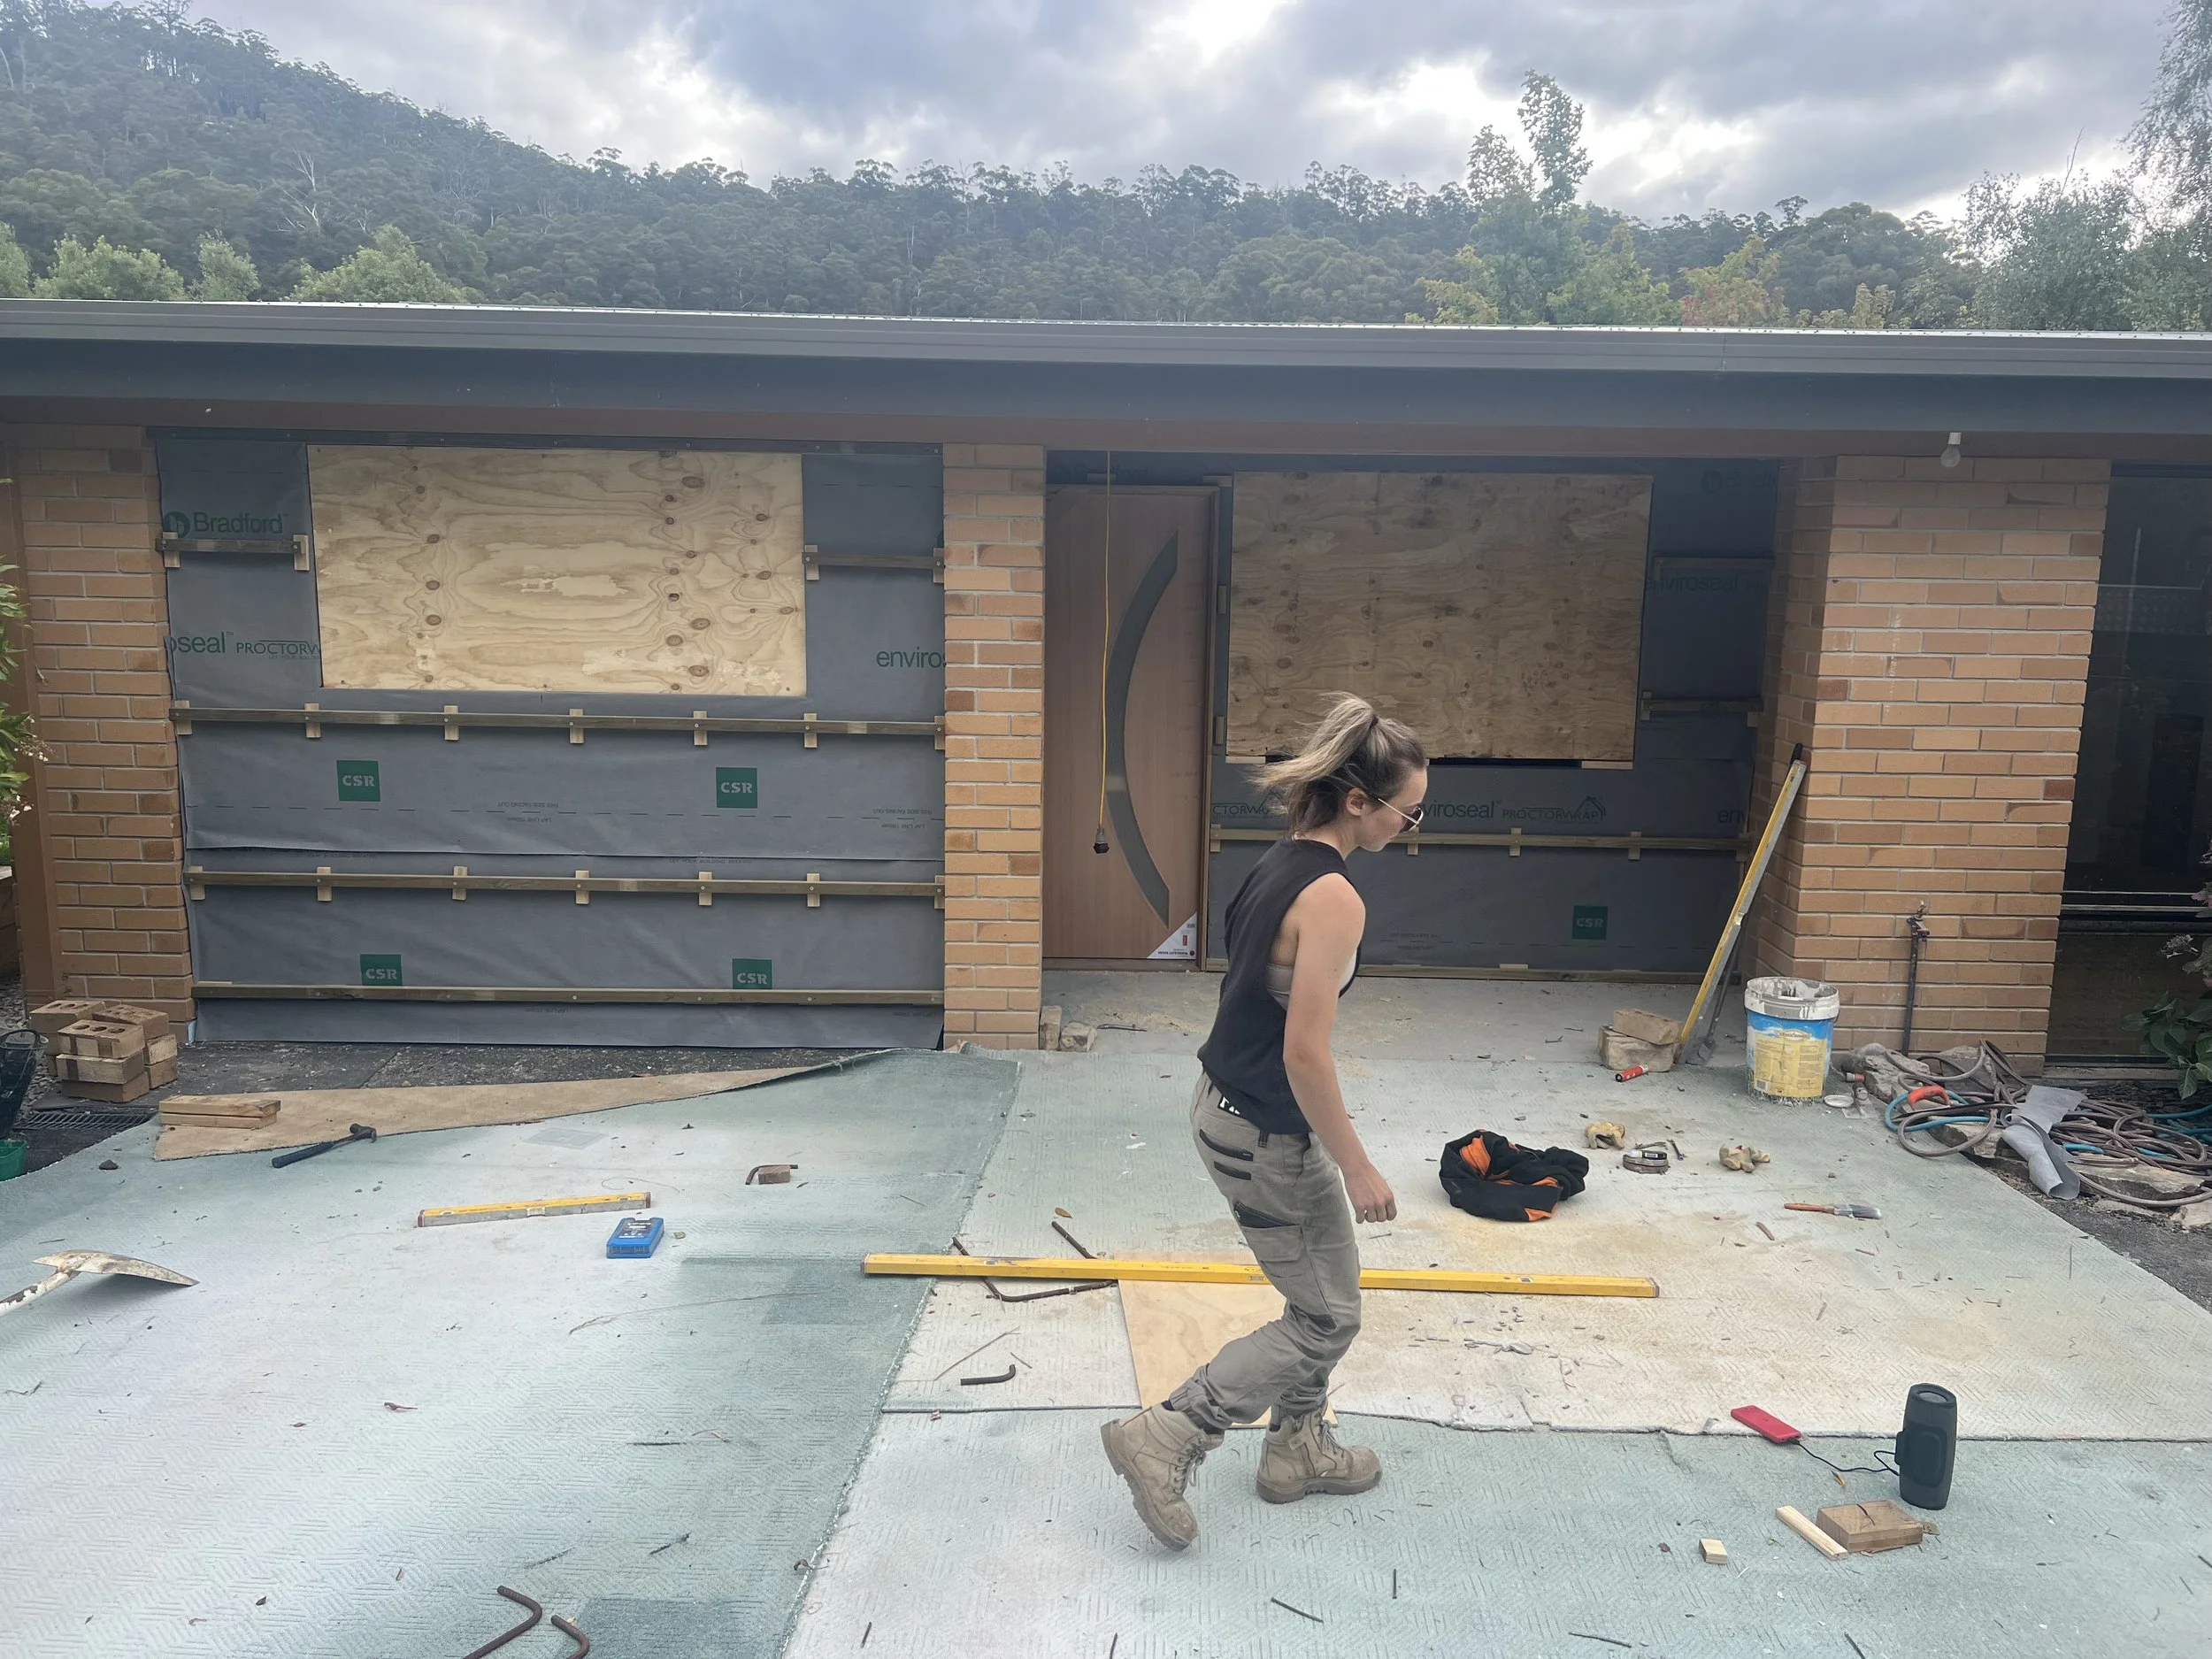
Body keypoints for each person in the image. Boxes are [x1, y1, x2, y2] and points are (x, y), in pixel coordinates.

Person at [1101, 693, 1428, 1550]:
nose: (1408, 827)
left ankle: (1296, 1451)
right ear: (1359, 802)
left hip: (1233, 1110)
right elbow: (1305, 1053)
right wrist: (1357, 1166)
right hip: (1263, 1133)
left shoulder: (1278, 862)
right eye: (1407, 811)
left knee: (1327, 1293)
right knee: (1324, 1317)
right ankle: (1168, 1432)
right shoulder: (1332, 898)